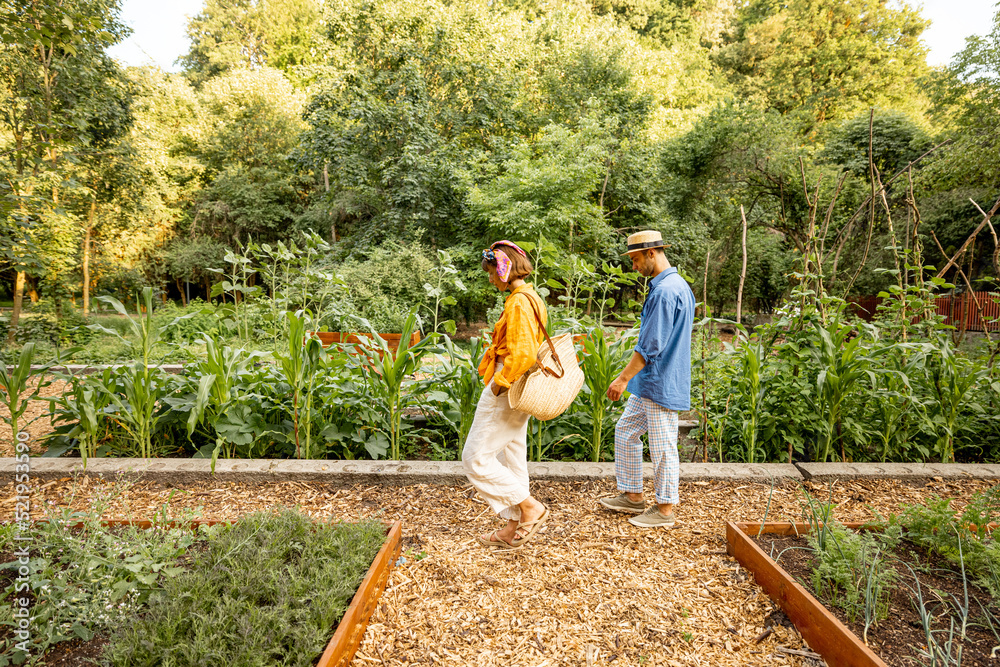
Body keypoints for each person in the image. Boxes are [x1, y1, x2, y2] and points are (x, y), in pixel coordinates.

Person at [599, 230, 695, 528]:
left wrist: (622, 379)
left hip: (660, 380)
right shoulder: (674, 285)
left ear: (652, 253)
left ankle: (664, 509)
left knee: (663, 446)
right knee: (626, 431)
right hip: (652, 382)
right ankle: (633, 496)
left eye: (636, 259)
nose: (634, 266)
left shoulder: (666, 291)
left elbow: (650, 345)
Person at [462, 240, 550, 549]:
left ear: (503, 269)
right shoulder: (530, 296)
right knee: (512, 457)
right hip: (520, 386)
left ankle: (530, 507)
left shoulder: (518, 302)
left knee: (474, 458)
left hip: (508, 385)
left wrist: (500, 383)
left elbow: (523, 352)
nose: (489, 278)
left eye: (490, 272)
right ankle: (513, 526)